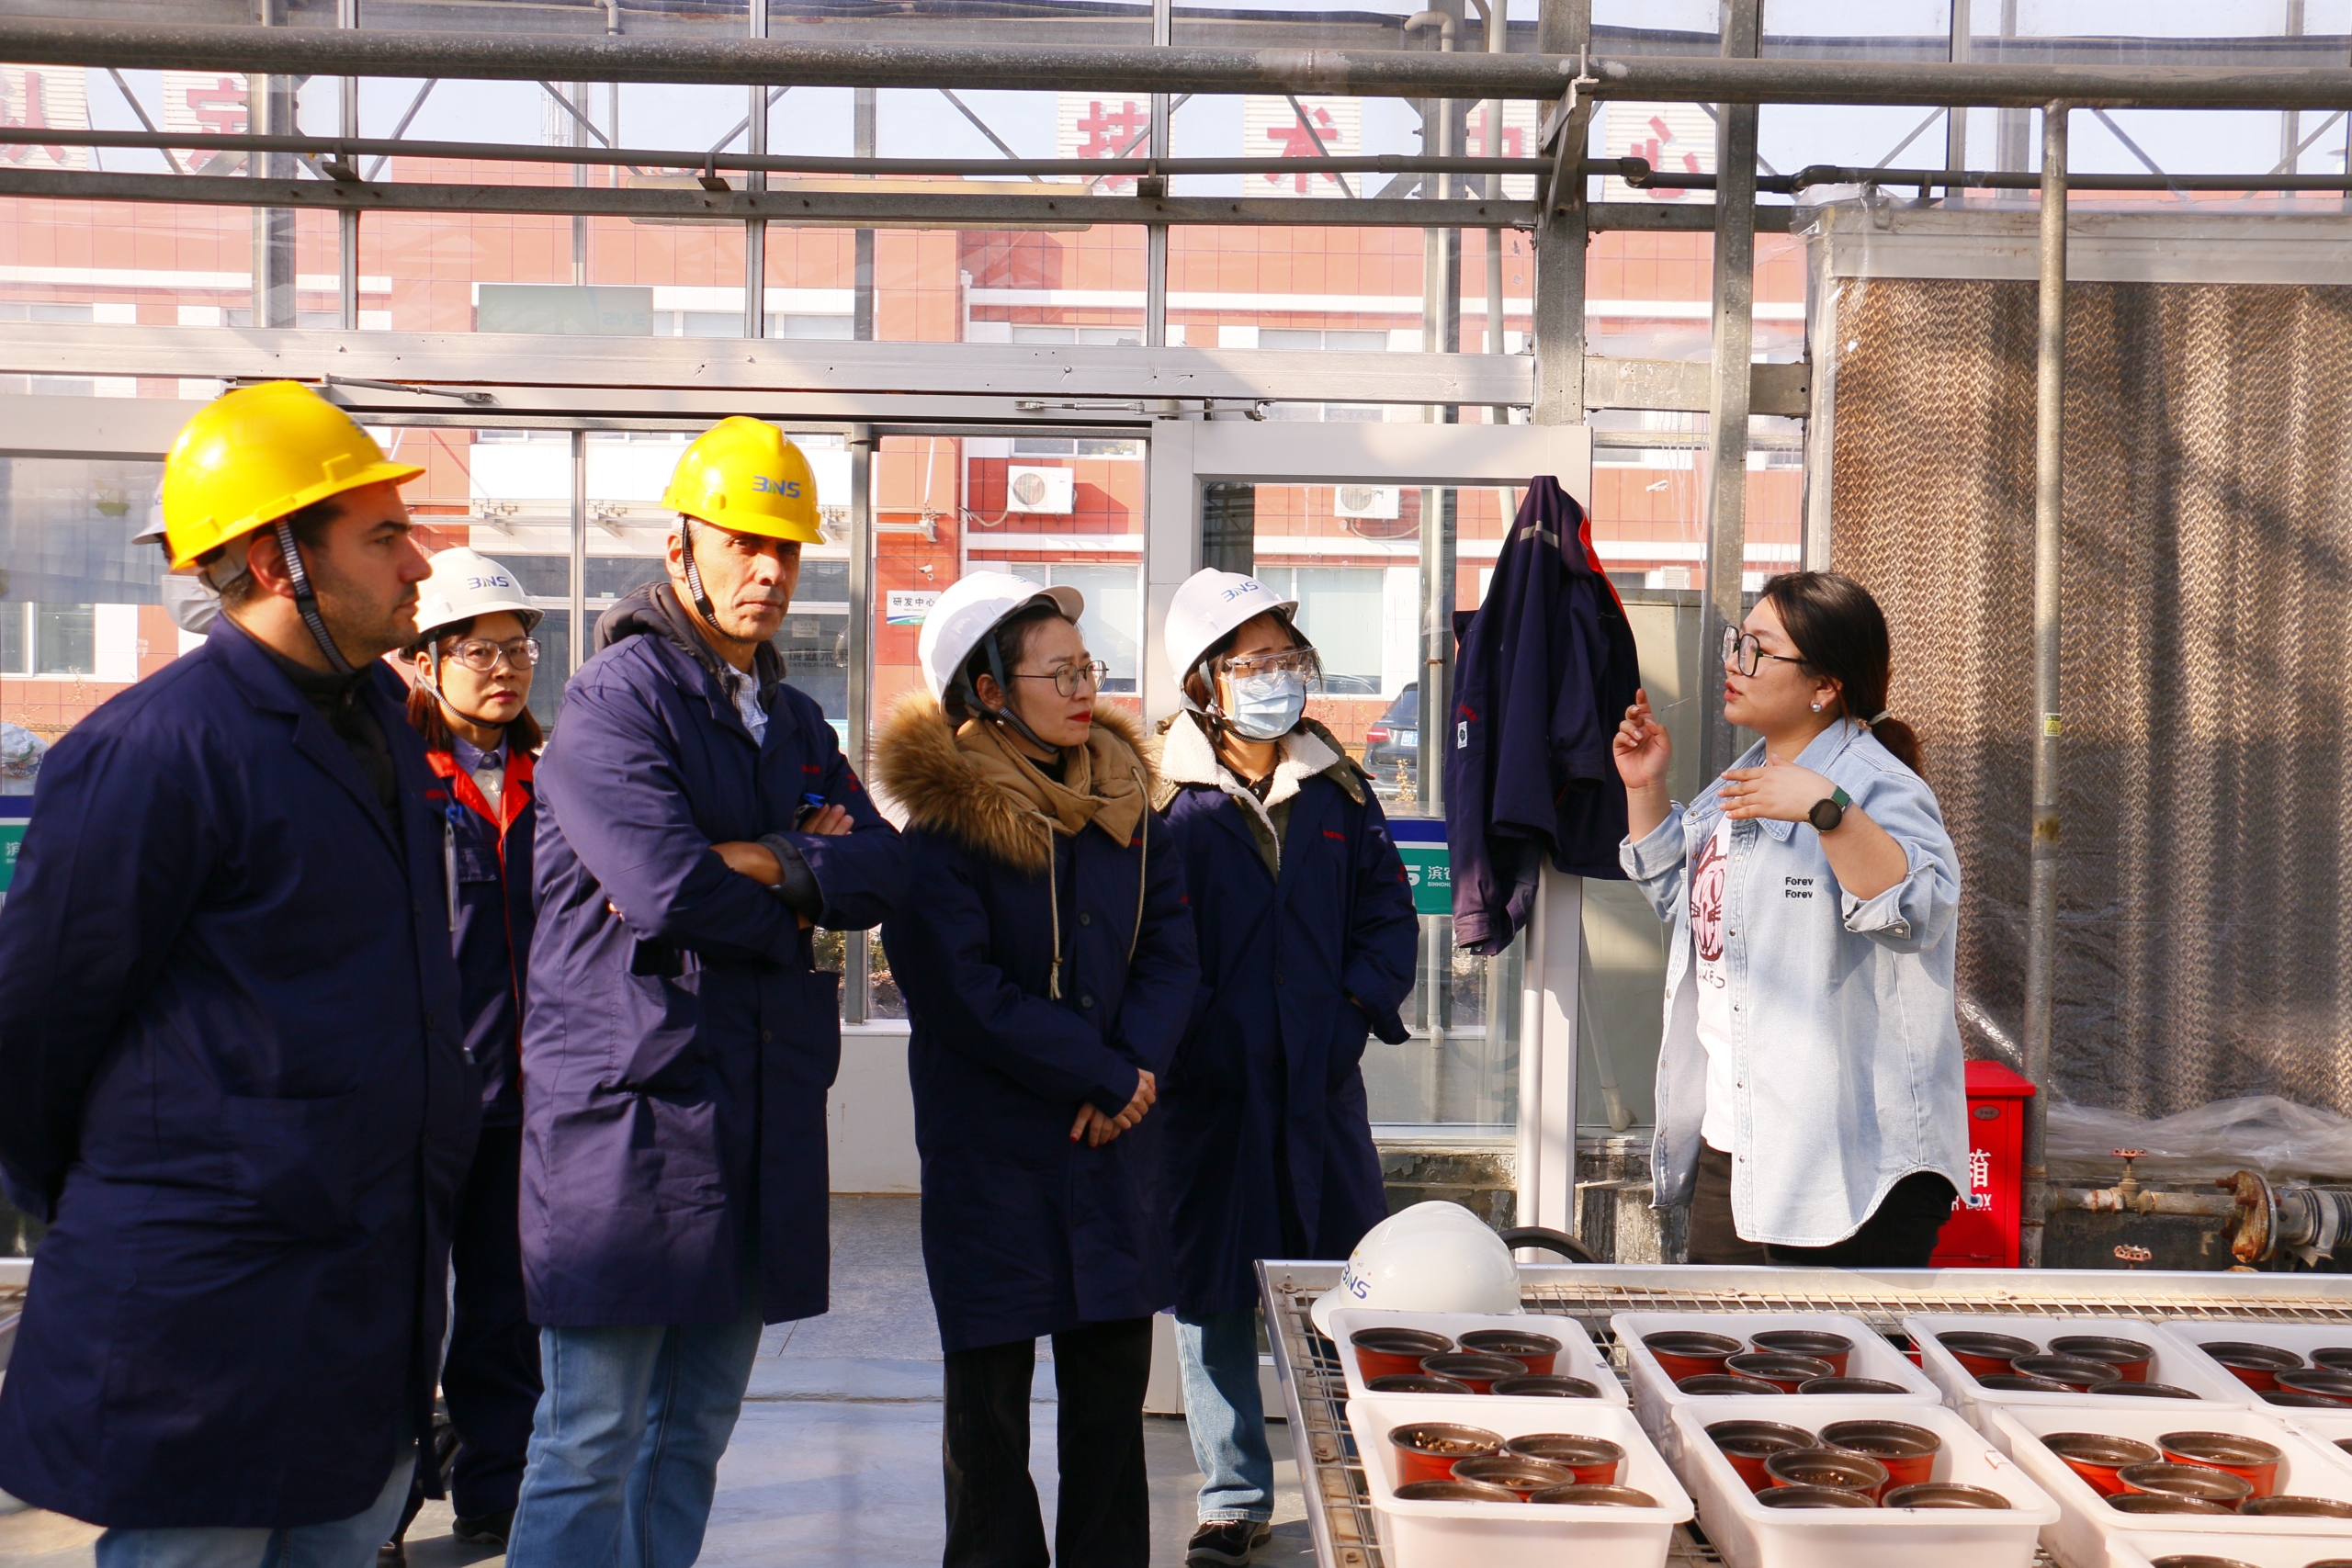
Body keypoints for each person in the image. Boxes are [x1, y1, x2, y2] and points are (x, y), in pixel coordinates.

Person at [0, 380, 476, 1564]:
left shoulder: (380, 720)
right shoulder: (154, 752)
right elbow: (37, 1023)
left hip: (365, 1275)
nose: (420, 563)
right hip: (201, 1298)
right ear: (276, 561)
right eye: (384, 535)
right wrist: (128, 1196)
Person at [505, 418, 906, 1568]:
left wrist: (764, 858)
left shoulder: (791, 718)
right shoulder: (616, 700)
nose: (769, 570)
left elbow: (887, 871)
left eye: (786, 547)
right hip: (625, 1123)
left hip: (752, 1106)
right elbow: (666, 887)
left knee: (692, 1432)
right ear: (680, 548)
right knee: (590, 1437)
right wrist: (803, 873)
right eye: (743, 543)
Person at [873, 572, 1197, 1568]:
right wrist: (1098, 1075)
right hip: (998, 1155)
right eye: (1057, 672)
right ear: (987, 691)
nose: (1082, 687)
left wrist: (1131, 1072)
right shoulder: (944, 829)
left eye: (1086, 667)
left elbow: (1173, 952)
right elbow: (960, 991)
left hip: (1111, 1148)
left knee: (1109, 1411)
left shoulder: (1127, 804)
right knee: (988, 1418)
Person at [1152, 570, 1417, 1568]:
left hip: (1319, 1084)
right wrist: (1183, 1043)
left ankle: (1356, 1483)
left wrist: (1349, 1015)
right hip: (1207, 1094)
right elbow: (1141, 943)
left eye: (1287, 658)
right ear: (1204, 681)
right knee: (1213, 1296)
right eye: (1253, 661)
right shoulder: (1161, 799)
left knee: (1345, 1291)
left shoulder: (1338, 788)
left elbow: (1387, 919)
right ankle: (1232, 1498)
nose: (1277, 677)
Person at [1611, 570, 1969, 1267]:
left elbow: (1917, 912)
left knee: (1830, 1342)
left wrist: (1827, 810)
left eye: (1757, 649)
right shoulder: (1743, 781)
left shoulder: (1878, 784)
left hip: (1854, 1159)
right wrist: (1646, 788)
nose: (1733, 662)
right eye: (1735, 641)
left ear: (1824, 685)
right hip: (1738, 1140)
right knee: (1719, 1337)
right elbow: (1691, 911)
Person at [381, 548, 549, 1561]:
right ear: (425, 660)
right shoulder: (395, 777)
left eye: (518, 648)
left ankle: (498, 1489)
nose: (504, 668)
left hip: (527, 1100)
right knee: (401, 1313)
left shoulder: (551, 776)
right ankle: (378, 1509)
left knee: (505, 1310)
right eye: (480, 650)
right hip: (417, 1100)